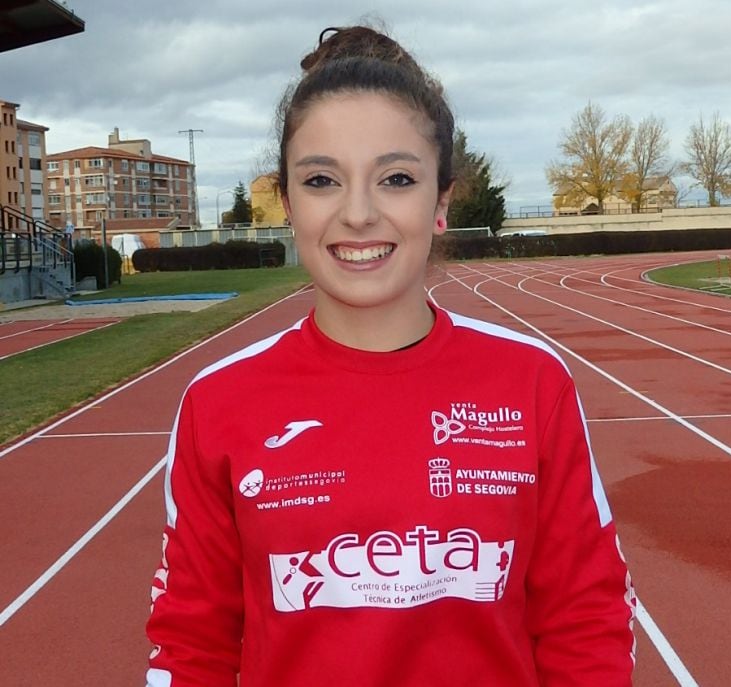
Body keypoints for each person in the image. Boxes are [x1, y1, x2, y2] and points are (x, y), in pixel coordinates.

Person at [146, 25, 635, 687]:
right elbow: (192, 644)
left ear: (440, 201)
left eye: (396, 178)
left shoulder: (532, 383)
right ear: (288, 204)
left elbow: (586, 619)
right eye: (322, 179)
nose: (358, 213)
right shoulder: (218, 401)